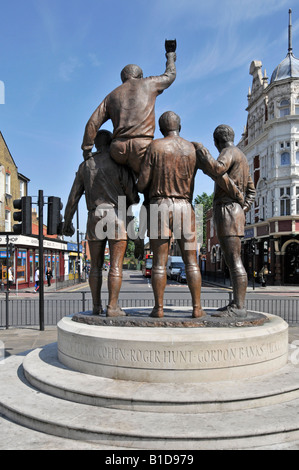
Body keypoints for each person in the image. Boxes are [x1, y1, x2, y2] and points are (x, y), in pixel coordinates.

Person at [63, 130, 139, 317]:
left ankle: (96, 306)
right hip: (116, 215)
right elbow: (133, 197)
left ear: (96, 144)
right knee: (115, 266)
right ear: (112, 142)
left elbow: (73, 198)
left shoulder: (85, 166)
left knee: (95, 265)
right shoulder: (119, 164)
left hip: (94, 216)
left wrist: (67, 221)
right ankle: (112, 307)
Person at [137, 111, 204, 319]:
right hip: (185, 206)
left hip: (160, 205)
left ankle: (158, 308)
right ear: (179, 127)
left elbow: (142, 184)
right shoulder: (191, 149)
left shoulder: (155, 147)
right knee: (191, 262)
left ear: (161, 128)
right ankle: (197, 308)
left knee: (159, 262)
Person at [81, 48, 176, 176]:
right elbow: (170, 75)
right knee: (149, 181)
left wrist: (87, 150)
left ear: (123, 79)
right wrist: (170, 57)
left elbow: (92, 123)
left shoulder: (112, 96)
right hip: (143, 146)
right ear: (140, 76)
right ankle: (145, 196)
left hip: (118, 149)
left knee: (124, 183)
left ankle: (124, 197)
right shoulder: (149, 83)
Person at [193, 124, 256, 318]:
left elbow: (218, 168)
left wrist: (204, 154)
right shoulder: (243, 157)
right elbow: (251, 191)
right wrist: (243, 208)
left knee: (234, 260)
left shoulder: (228, 152)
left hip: (228, 210)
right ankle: (236, 304)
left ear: (216, 141)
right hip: (234, 210)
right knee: (232, 260)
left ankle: (239, 307)